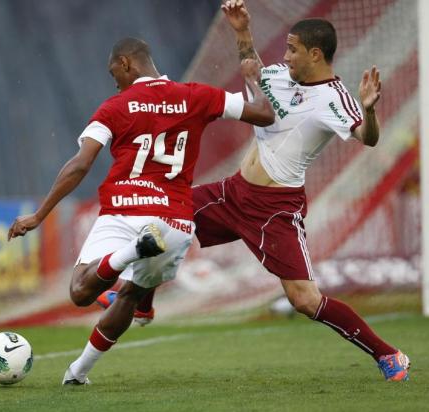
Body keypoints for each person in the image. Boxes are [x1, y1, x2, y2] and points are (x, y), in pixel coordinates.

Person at [99, 0, 411, 382]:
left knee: (304, 300)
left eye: (293, 49)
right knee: (166, 219)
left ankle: (388, 354)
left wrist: (371, 110)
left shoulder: (336, 97)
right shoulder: (279, 74)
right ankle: (141, 301)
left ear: (316, 54)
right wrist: (242, 31)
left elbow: (368, 138)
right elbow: (253, 71)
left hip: (276, 209)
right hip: (234, 192)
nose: (285, 55)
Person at [8, 37, 275, 384]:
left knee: (80, 291)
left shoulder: (114, 107)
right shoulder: (197, 95)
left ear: (125, 64)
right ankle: (78, 372)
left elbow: (79, 165)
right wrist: (252, 76)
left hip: (124, 209)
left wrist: (38, 215)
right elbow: (264, 113)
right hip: (175, 221)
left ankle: (131, 253)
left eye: (113, 72)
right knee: (130, 296)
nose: (114, 81)